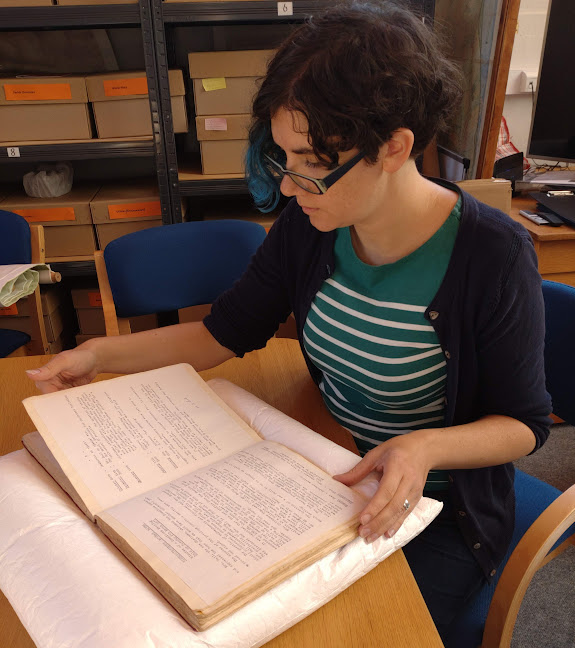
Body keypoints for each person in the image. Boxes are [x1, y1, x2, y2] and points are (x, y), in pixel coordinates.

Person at [26, 1, 551, 643]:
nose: (290, 184)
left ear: (395, 147)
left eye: (310, 161)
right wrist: (96, 356)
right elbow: (220, 335)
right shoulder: (310, 225)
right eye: (283, 156)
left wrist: (426, 446)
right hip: (320, 468)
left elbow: (523, 425)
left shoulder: (492, 255)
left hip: (434, 509)